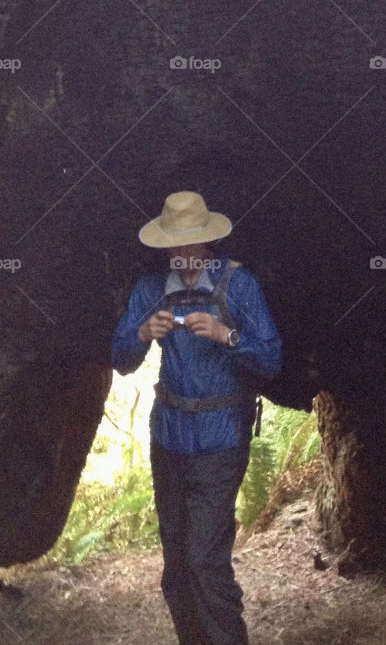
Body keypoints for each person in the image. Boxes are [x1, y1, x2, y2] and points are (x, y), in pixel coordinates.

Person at [112, 191, 282, 645]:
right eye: (175, 246)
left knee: (205, 562)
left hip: (221, 440)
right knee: (177, 566)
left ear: (207, 243)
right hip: (168, 438)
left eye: (191, 245)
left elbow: (271, 358)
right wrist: (143, 332)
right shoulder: (152, 290)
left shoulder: (239, 287)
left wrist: (228, 336)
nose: (183, 255)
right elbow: (120, 358)